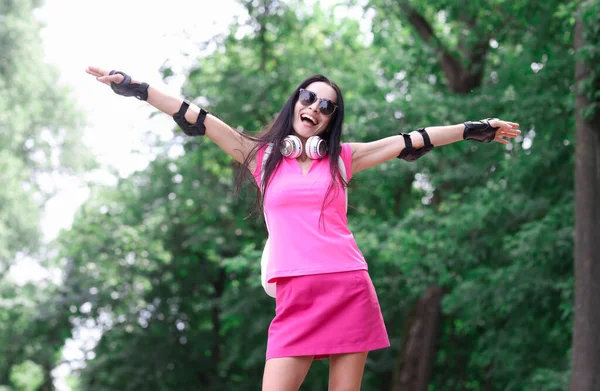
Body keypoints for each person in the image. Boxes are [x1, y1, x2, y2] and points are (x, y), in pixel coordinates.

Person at [86, 66, 521, 391]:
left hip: (348, 286)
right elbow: (196, 116)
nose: (314, 107)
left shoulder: (342, 159)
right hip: (295, 295)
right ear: (296, 101)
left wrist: (472, 129)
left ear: (331, 120)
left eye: (325, 105)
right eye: (308, 98)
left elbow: (409, 140)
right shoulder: (261, 158)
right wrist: (137, 89)